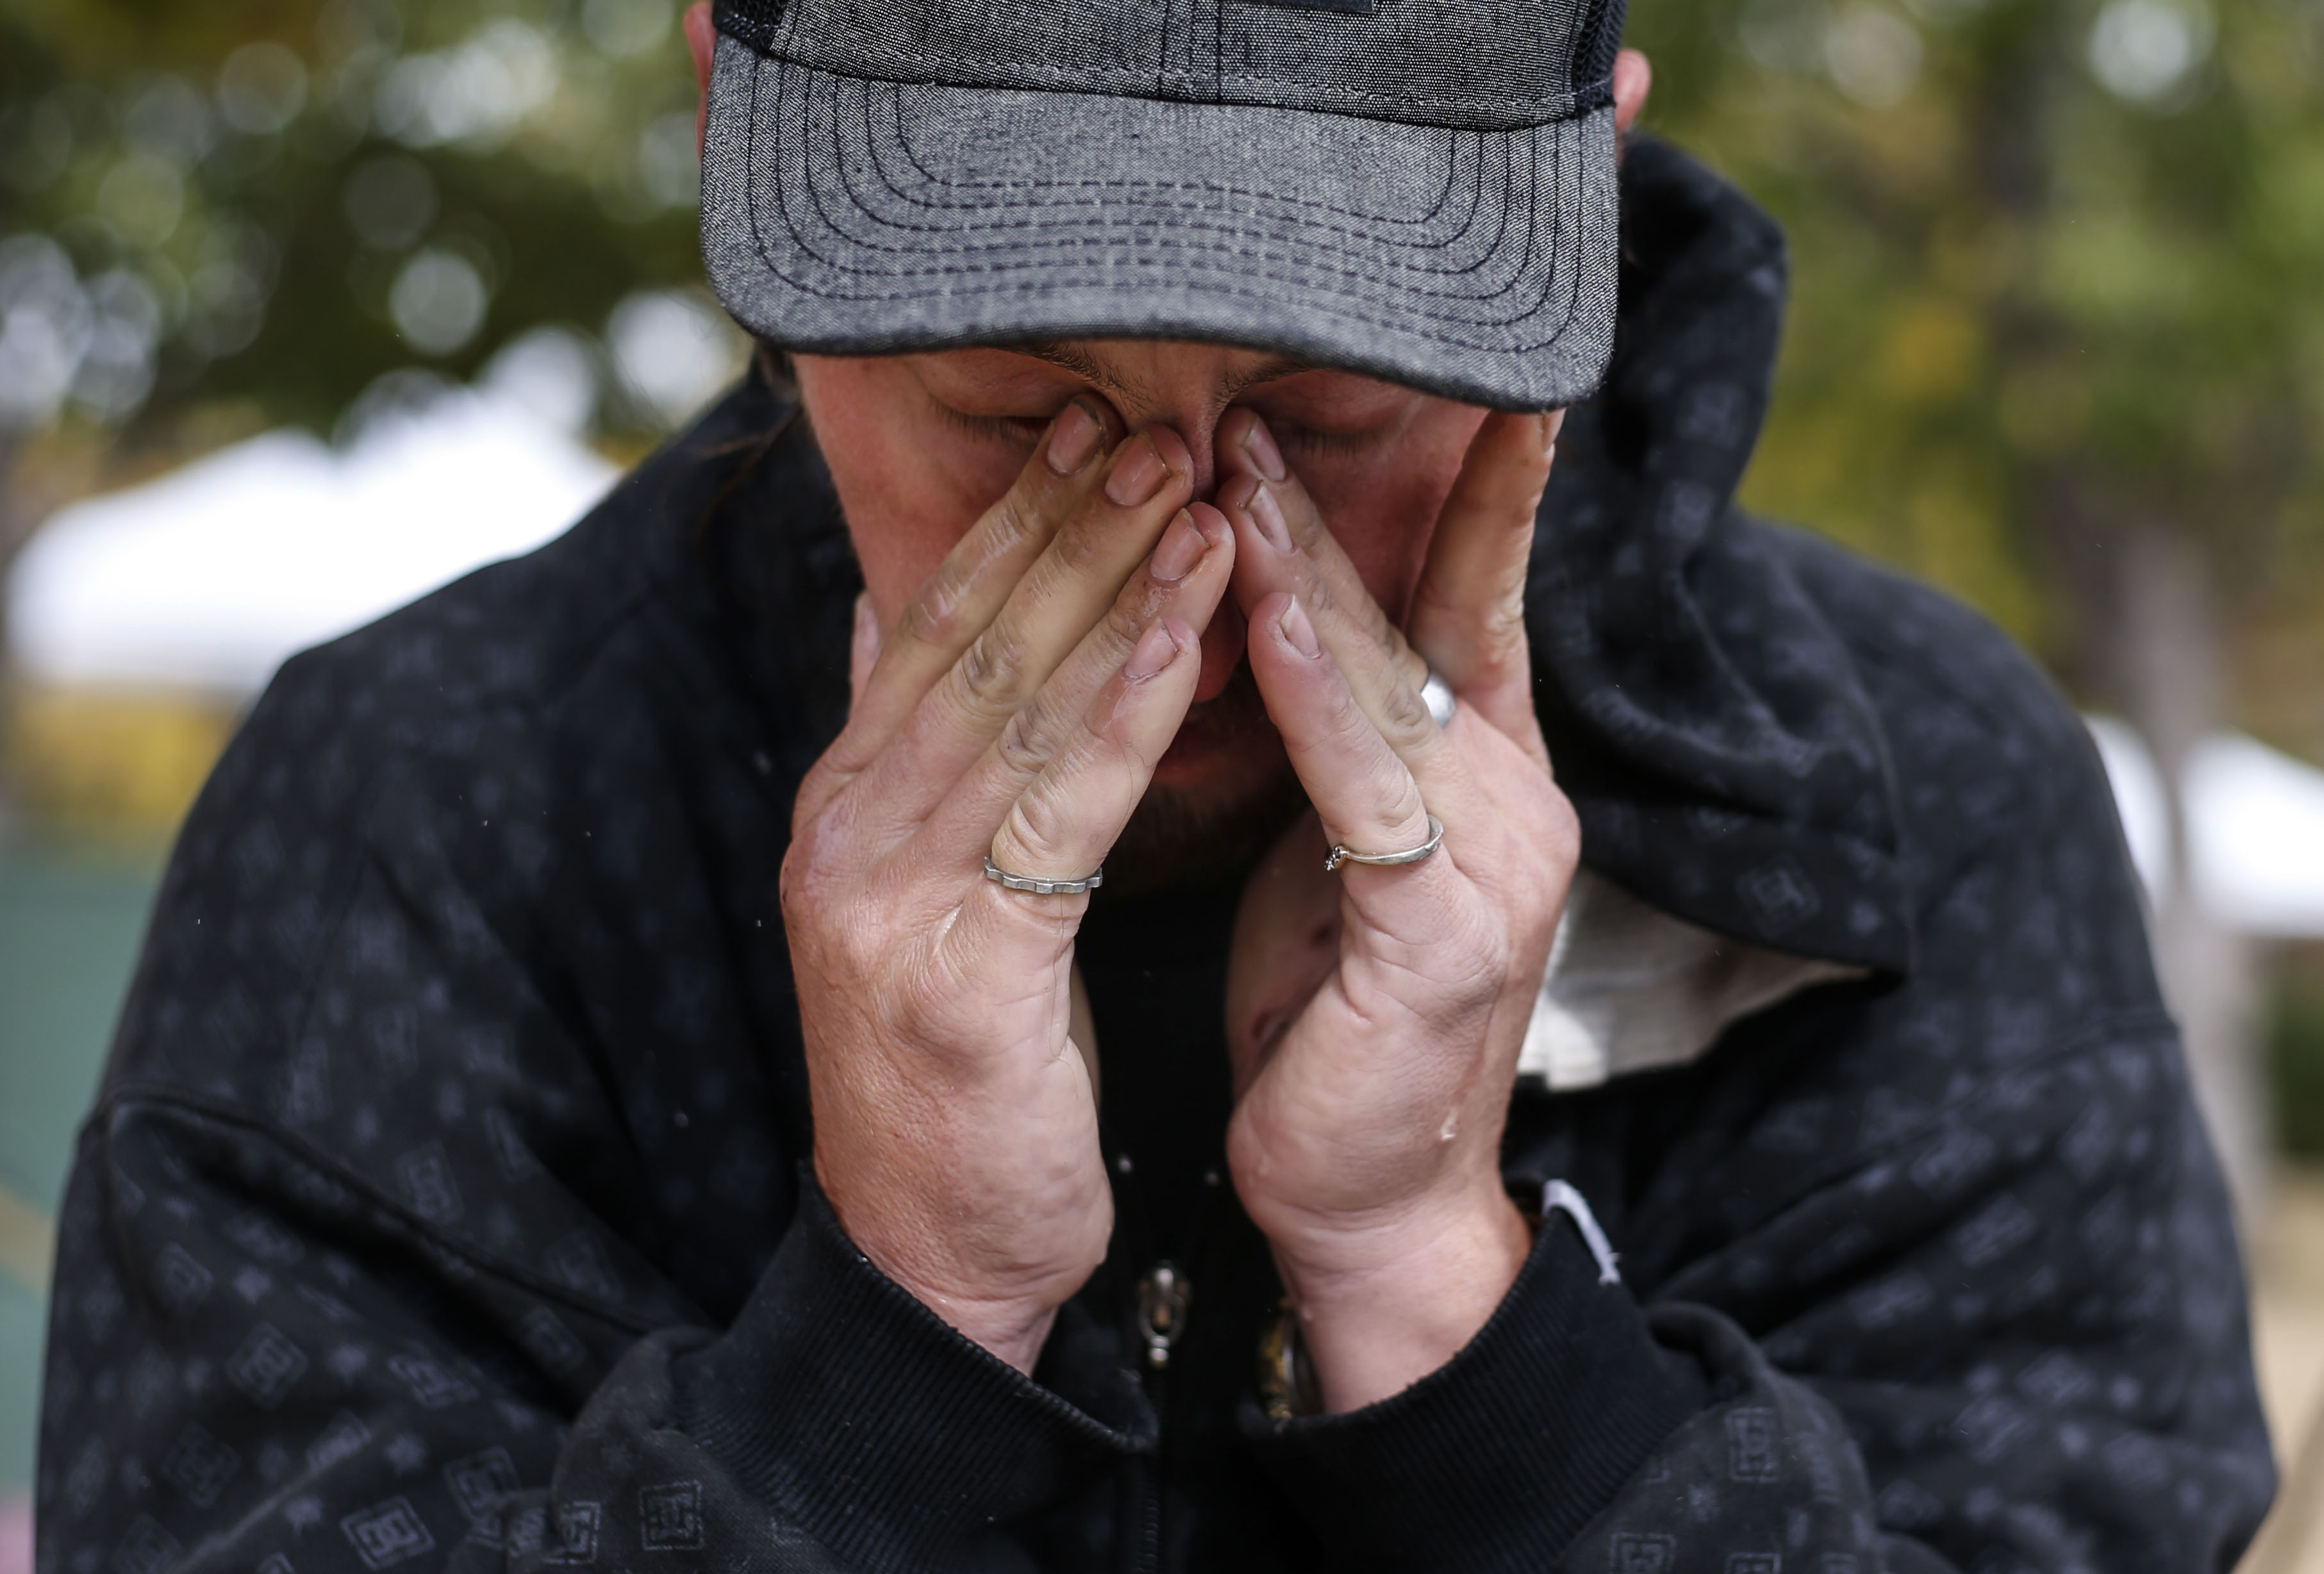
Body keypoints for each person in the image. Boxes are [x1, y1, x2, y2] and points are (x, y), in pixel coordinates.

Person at [37, 0, 2276, 1570]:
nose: (1188, 579)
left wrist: (1447, 1308)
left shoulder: (1899, 812)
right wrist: (887, 1342)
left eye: (1339, 415)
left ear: (1579, 174)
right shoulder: (421, 826)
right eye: (1017, 424)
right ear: (731, 110)